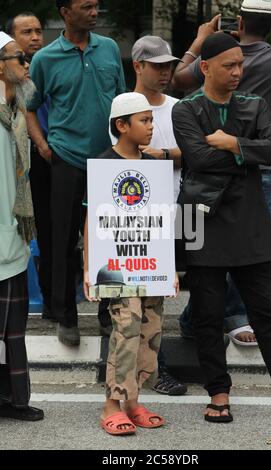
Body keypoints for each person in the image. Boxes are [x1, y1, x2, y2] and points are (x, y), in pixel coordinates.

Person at [172, 32, 271, 423]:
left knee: (266, 311)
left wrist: (231, 144)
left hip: (250, 218)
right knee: (208, 313)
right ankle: (218, 392)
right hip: (198, 217)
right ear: (206, 68)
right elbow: (197, 157)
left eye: (241, 65)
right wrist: (247, 153)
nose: (237, 72)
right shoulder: (186, 109)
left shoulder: (256, 103)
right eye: (230, 65)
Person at [26, 0, 126, 346]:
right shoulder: (44, 59)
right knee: (63, 241)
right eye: (86, 7)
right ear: (65, 12)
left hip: (108, 159)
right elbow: (29, 107)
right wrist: (41, 145)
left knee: (108, 240)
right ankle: (66, 315)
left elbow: (121, 104)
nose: (95, 12)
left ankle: (108, 313)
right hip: (66, 159)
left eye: (97, 6)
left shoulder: (110, 48)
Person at [84, 92, 179, 435]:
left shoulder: (153, 165)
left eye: (152, 119)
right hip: (116, 266)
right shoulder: (102, 164)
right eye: (144, 120)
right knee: (126, 327)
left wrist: (169, 268)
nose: (151, 127)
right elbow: (92, 219)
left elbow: (161, 218)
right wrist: (88, 266)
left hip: (151, 264)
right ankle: (112, 403)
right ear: (121, 125)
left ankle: (133, 401)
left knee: (150, 330)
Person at [99, 35, 187, 396]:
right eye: (158, 65)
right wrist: (96, 268)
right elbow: (99, 218)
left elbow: (195, 153)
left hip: (161, 232)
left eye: (170, 65)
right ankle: (114, 400)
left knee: (151, 319)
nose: (166, 72)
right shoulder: (110, 149)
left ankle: (138, 393)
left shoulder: (179, 109)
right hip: (121, 251)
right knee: (125, 318)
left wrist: (159, 155)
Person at [0, 31, 43, 421]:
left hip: (11, 234)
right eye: (18, 58)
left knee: (13, 330)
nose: (26, 64)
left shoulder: (14, 111)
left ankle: (13, 400)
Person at [6, 12, 53, 321]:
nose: (36, 36)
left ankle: (51, 297)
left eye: (38, 30)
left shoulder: (48, 70)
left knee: (51, 231)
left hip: (52, 160)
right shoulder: (10, 83)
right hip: (19, 166)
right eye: (27, 31)